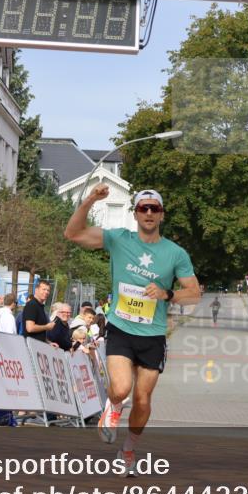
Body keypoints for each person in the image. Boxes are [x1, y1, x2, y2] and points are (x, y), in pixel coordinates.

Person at [65, 185, 201, 476]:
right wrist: (91, 199)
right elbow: (73, 234)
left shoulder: (175, 253)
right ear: (136, 214)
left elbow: (194, 293)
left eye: (154, 208)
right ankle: (113, 406)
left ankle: (128, 449)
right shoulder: (118, 239)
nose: (149, 212)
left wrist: (167, 294)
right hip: (121, 328)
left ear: (162, 215)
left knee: (142, 399)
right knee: (122, 388)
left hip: (153, 335)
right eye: (143, 208)